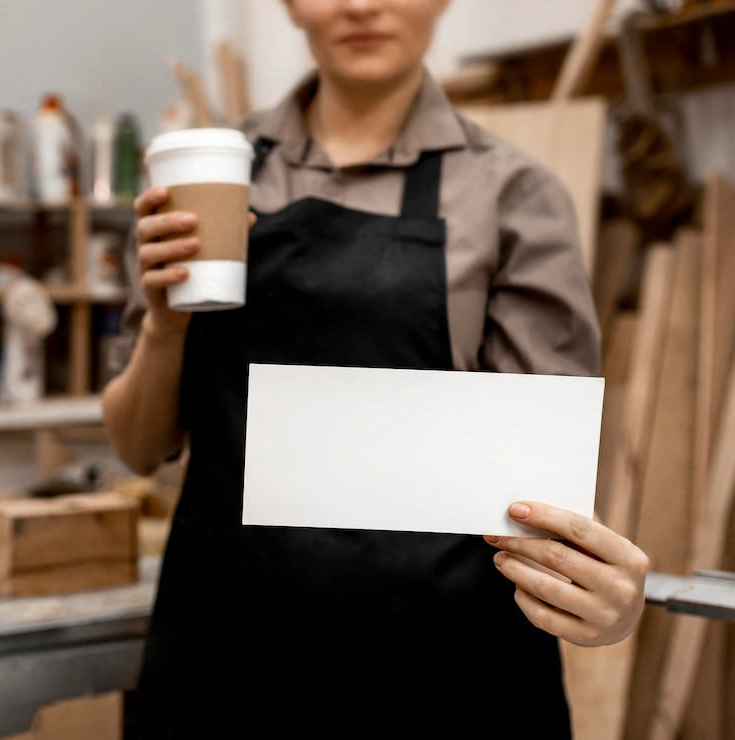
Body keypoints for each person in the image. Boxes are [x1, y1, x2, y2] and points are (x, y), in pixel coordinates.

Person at [104, 0, 649, 736]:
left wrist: (598, 595)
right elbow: (139, 448)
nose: (362, 4)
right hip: (227, 659)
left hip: (444, 675)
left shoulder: (511, 195)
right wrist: (166, 327)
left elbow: (545, 484)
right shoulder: (212, 172)